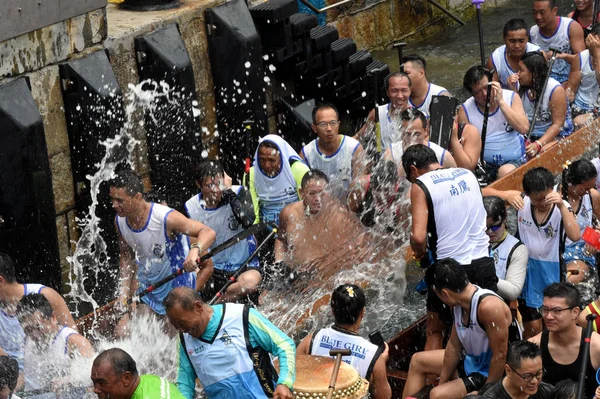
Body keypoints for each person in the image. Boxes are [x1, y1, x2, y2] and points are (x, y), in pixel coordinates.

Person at [402, 144, 498, 351]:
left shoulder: (420, 184)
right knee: (489, 326)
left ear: (413, 170)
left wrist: (420, 256)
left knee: (436, 331)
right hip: (484, 263)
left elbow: (418, 237)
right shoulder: (467, 174)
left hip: (449, 271)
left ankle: (434, 379)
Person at [109, 170, 216, 333]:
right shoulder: (119, 221)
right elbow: (126, 257)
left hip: (177, 289)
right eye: (112, 199)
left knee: (171, 339)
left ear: (137, 197)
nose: (114, 205)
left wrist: (195, 251)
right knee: (122, 332)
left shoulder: (166, 218)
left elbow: (208, 232)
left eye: (119, 200)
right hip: (149, 289)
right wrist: (123, 293)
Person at [402, 258, 511, 399]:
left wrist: (485, 394)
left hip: (493, 372)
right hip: (472, 361)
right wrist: (442, 381)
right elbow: (454, 347)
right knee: (417, 361)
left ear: (445, 293)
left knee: (436, 395)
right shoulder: (458, 304)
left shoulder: (488, 307)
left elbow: (500, 355)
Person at [165, 287, 295, 399]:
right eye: (176, 326)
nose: (182, 330)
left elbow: (285, 345)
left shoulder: (241, 316)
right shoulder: (184, 340)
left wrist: (284, 382)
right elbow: (184, 384)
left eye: (182, 323)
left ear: (198, 307)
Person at [515, 168, 580, 338]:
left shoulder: (562, 207)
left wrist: (561, 205)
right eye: (537, 200)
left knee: (552, 320)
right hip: (527, 270)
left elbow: (575, 235)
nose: (543, 202)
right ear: (527, 195)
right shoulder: (521, 201)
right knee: (533, 325)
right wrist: (507, 196)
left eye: (546, 196)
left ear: (552, 188)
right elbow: (487, 190)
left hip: (552, 269)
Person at [185, 160, 260, 304]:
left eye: (219, 184)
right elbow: (190, 241)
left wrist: (229, 192)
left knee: (250, 283)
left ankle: (219, 303)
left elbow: (248, 221)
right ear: (198, 185)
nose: (215, 190)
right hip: (213, 268)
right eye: (209, 186)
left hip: (244, 264)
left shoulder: (238, 192)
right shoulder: (191, 207)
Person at [296, 284, 391, 399]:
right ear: (362, 312)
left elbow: (295, 375)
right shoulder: (372, 354)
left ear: (332, 311)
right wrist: (379, 364)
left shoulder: (312, 339)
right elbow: (384, 397)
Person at [0, 252, 75, 390]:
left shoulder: (45, 295)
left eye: (35, 327)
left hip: (54, 379)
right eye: (28, 330)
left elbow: (73, 337)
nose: (32, 333)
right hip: (17, 381)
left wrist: (68, 378)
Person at [275, 170, 361, 269]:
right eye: (312, 193)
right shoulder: (289, 213)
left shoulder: (340, 216)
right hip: (296, 275)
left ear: (328, 192)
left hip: (327, 275)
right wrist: (279, 263)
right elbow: (280, 239)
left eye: (322, 193)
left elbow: (357, 246)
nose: (317, 198)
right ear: (301, 193)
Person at [529, 283, 600, 399]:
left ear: (575, 312)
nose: (548, 316)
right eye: (545, 310)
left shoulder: (596, 346)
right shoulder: (534, 346)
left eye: (557, 311)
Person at [17, 293, 93, 398]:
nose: (34, 335)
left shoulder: (74, 341)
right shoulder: (27, 340)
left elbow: (92, 374)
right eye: (28, 330)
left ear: (53, 317)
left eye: (38, 327)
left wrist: (69, 379)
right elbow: (27, 375)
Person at [459, 65, 530, 180]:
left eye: (487, 88)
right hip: (484, 165)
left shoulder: (511, 97)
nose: (484, 94)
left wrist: (501, 102)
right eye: (477, 92)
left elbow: (524, 128)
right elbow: (465, 148)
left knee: (505, 172)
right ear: (472, 94)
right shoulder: (465, 110)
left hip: (514, 161)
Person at [300, 103, 364, 201]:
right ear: (314, 128)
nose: (329, 129)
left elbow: (360, 186)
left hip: (348, 208)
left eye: (333, 123)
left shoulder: (353, 148)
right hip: (319, 209)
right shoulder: (306, 154)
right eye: (323, 124)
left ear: (339, 124)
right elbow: (303, 191)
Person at [518, 51, 573, 158]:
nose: (517, 74)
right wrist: (513, 91)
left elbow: (558, 125)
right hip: (530, 134)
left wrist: (539, 144)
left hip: (557, 135)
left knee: (543, 152)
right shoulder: (518, 85)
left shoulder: (555, 90)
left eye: (521, 70)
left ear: (534, 74)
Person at [249, 134, 310, 226]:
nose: (267, 165)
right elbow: (253, 215)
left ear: (282, 158)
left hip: (297, 227)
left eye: (272, 160)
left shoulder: (298, 169)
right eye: (262, 160)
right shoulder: (252, 174)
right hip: (266, 231)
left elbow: (309, 207)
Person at [560, 160, 600, 283]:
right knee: (564, 279)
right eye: (584, 188)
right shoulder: (554, 200)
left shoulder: (592, 196)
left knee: (576, 273)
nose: (588, 192)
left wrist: (596, 235)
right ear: (570, 183)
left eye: (591, 187)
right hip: (558, 254)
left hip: (583, 254)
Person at [383, 108, 457, 174]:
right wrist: (408, 156)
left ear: (426, 131)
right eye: (407, 134)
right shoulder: (391, 152)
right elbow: (390, 183)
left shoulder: (442, 156)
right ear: (401, 132)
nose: (412, 140)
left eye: (417, 134)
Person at [91, 348, 185, 399]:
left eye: (102, 383)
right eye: (94, 383)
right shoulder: (148, 379)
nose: (96, 390)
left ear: (126, 378)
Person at [483, 196, 527, 302]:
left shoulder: (517, 249)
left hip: (497, 308)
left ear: (504, 219)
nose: (489, 232)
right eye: (484, 227)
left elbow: (513, 291)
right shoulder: (469, 241)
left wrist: (485, 275)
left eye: (494, 227)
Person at [530, 0, 585, 84]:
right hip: (544, 83)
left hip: (569, 81)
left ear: (554, 11)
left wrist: (564, 56)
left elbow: (584, 61)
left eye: (542, 12)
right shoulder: (533, 32)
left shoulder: (571, 27)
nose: (538, 17)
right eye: (535, 12)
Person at [353, 72, 412, 152]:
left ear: (410, 91)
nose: (400, 96)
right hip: (384, 161)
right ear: (387, 92)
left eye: (404, 90)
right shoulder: (377, 113)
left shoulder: (419, 117)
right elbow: (359, 137)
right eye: (394, 91)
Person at [348, 159, 407, 237]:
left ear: (396, 185)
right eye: (377, 190)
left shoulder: (402, 198)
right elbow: (348, 217)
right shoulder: (361, 186)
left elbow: (404, 236)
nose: (381, 195)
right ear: (371, 185)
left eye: (386, 190)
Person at [481, 340, 553, 399]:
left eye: (538, 374)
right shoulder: (491, 397)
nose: (534, 381)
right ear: (508, 371)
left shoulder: (548, 393)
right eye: (527, 376)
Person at [488, 18, 542, 90]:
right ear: (504, 39)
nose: (517, 46)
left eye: (521, 41)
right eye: (512, 41)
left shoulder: (538, 55)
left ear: (527, 39)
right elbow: (490, 92)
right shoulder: (495, 60)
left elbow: (543, 87)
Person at [564, 24, 600, 128]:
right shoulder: (580, 58)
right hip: (581, 107)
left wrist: (597, 53)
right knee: (576, 122)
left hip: (597, 109)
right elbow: (571, 91)